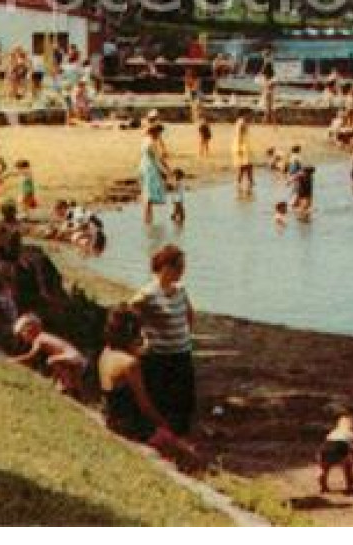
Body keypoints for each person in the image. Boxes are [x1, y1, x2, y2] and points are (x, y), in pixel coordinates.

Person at [129, 244, 198, 458]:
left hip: (182, 352)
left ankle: (181, 440)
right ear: (165, 267)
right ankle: (166, 442)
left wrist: (184, 334)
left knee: (184, 400)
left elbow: (190, 314)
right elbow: (128, 315)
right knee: (162, 399)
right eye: (178, 267)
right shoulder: (147, 294)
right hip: (159, 355)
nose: (182, 272)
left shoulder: (181, 290)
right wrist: (140, 340)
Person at [98, 307, 178, 451]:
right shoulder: (130, 364)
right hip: (128, 426)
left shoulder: (107, 351)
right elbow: (145, 405)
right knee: (181, 446)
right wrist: (164, 426)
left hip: (111, 416)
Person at [10, 313, 88, 395]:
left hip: (74, 358)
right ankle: (73, 389)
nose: (24, 338)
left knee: (51, 360)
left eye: (23, 334)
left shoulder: (39, 339)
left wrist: (13, 360)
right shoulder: (43, 336)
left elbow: (31, 356)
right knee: (69, 382)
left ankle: (67, 384)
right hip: (77, 359)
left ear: (31, 329)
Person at [316, 413, 353, 493]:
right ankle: (350, 485)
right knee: (348, 466)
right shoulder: (352, 433)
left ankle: (323, 486)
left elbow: (326, 441)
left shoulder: (333, 432)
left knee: (324, 468)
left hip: (325, 447)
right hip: (340, 446)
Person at [140, 124, 169, 225]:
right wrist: (167, 170)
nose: (160, 135)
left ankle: (148, 222)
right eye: (159, 133)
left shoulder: (145, 140)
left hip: (143, 166)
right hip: (150, 168)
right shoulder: (151, 143)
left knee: (147, 195)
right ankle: (147, 221)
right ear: (156, 132)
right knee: (149, 197)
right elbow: (158, 159)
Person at [232, 113, 254, 193]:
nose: (250, 116)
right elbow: (238, 135)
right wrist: (239, 148)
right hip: (241, 146)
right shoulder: (240, 123)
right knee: (243, 166)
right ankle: (241, 183)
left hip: (243, 145)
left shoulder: (242, 122)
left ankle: (249, 182)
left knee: (247, 165)